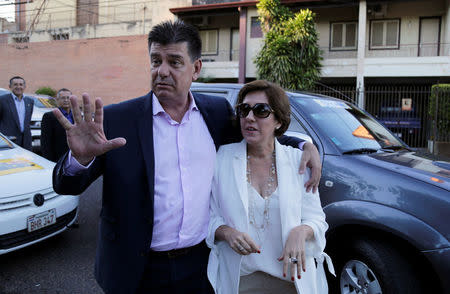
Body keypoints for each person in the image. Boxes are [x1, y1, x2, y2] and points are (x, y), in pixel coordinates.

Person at [52, 20, 322, 294]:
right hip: (134, 269)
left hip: (199, 265)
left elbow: (257, 135)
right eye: (156, 61)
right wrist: (79, 159)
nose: (162, 71)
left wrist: (304, 146)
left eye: (174, 62)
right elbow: (66, 186)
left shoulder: (214, 112)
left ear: (196, 69)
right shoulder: (117, 120)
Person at [207, 80, 334, 294]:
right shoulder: (221, 159)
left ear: (278, 120)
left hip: (293, 281)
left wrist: (302, 231)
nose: (249, 117)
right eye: (244, 109)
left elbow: (318, 220)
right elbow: (208, 217)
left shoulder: (299, 162)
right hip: (240, 282)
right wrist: (226, 232)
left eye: (261, 110)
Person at [0, 76, 34, 150]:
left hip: (26, 141)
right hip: (8, 141)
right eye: (15, 84)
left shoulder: (29, 101)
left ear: (24, 86)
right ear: (10, 86)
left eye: (21, 84)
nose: (18, 87)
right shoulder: (2, 100)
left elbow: (27, 122)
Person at [41, 88, 73, 162]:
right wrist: (48, 160)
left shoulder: (77, 116)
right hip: (58, 157)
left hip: (74, 157)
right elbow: (45, 142)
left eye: (68, 98)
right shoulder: (49, 116)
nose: (66, 100)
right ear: (57, 100)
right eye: (63, 98)